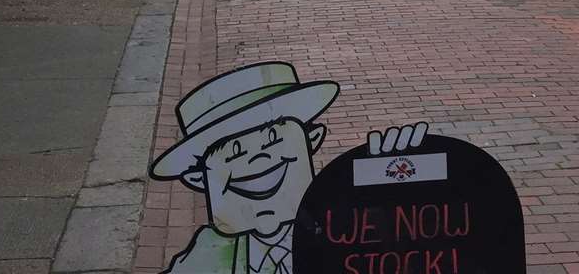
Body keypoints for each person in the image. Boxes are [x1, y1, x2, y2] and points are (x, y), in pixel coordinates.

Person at [149, 61, 427, 273]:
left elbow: (412, 249)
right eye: (233, 153)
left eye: (274, 139)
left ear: (312, 140)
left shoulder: (345, 223)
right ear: (199, 179)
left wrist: (402, 188)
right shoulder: (209, 253)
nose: (257, 160)